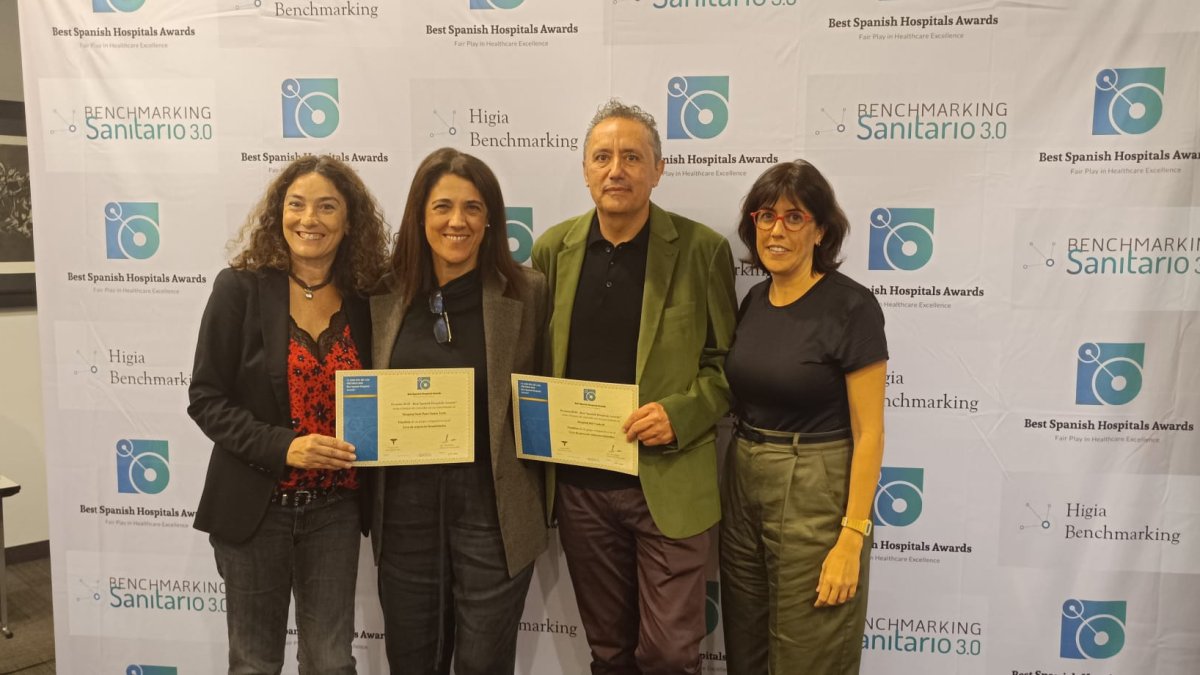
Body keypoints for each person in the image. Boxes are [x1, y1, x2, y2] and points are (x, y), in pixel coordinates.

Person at [531, 100, 737, 674]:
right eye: (602, 156)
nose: (615, 169)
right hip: (581, 488)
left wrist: (683, 412)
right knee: (609, 652)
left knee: (669, 654)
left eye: (631, 156)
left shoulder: (701, 250)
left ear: (657, 169)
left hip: (668, 482)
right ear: (585, 169)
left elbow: (727, 368)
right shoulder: (552, 249)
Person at [188, 154, 391, 674]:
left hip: (335, 512)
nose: (309, 219)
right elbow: (206, 398)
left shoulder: (369, 300)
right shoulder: (239, 288)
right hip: (256, 507)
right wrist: (286, 446)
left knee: (331, 662)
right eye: (296, 205)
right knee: (254, 664)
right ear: (279, 214)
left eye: (327, 207)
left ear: (349, 223)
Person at [370, 147, 548, 674]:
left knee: (483, 664)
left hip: (492, 511)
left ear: (490, 218)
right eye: (442, 206)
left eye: (473, 207)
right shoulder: (380, 295)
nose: (457, 221)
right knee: (411, 662)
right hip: (404, 512)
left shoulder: (529, 291)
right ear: (419, 216)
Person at [719, 160, 888, 674]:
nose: (776, 229)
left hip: (816, 488)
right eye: (766, 216)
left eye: (795, 218)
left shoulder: (852, 308)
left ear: (820, 229)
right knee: (745, 653)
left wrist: (851, 537)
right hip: (745, 480)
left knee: (809, 654)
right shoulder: (753, 301)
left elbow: (871, 431)